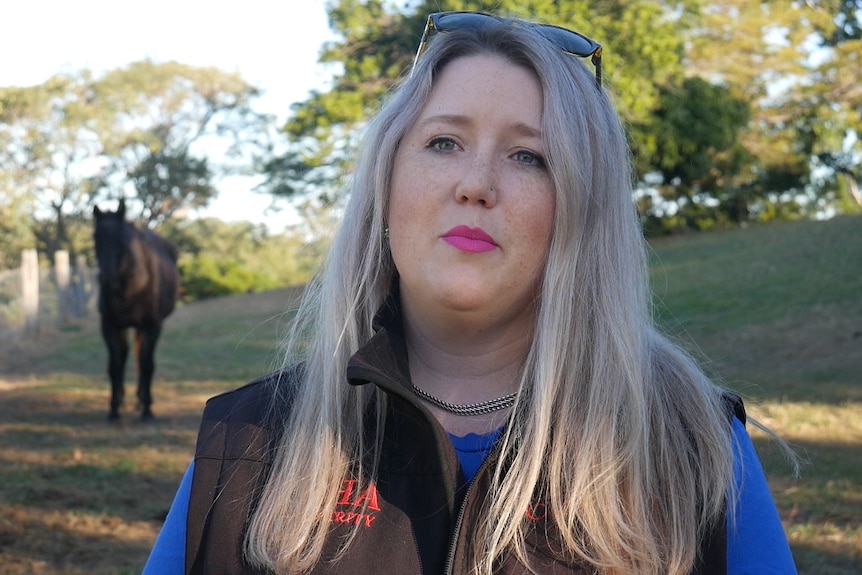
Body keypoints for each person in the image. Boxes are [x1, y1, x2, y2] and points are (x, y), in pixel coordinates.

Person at [144, 11, 797, 575]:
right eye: (444, 142)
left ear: (581, 209)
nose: (476, 183)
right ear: (387, 186)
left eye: (529, 156)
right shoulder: (245, 441)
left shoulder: (695, 444)